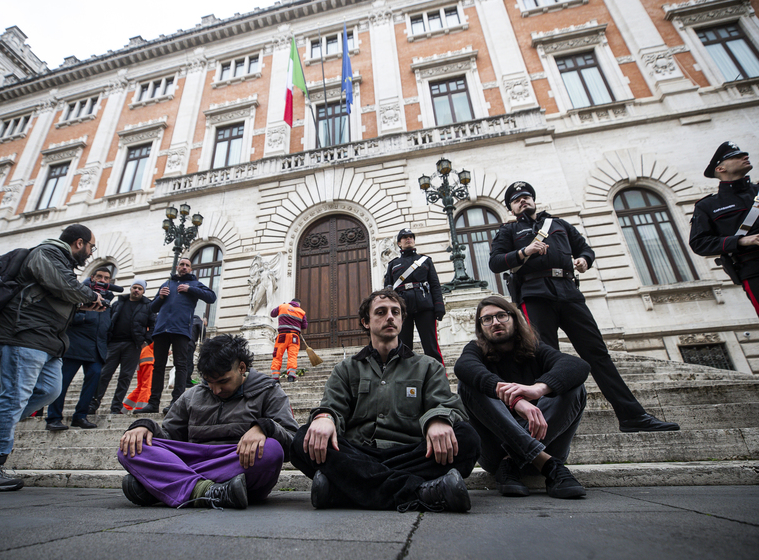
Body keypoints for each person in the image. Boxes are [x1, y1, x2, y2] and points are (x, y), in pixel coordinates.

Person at [489, 181, 680, 433]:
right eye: (516, 200)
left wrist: (584, 261)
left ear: (534, 200)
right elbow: (495, 262)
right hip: (534, 295)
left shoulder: (559, 224)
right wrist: (524, 251)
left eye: (526, 197)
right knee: (545, 358)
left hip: (569, 293)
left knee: (597, 354)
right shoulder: (509, 230)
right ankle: (547, 422)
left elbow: (585, 249)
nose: (523, 201)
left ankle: (632, 415)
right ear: (511, 208)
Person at [0, 224, 105, 491]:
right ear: (79, 243)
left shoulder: (61, 261)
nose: (90, 253)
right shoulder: (48, 252)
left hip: (48, 341)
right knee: (14, 397)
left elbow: (53, 295)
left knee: (48, 392)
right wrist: (89, 294)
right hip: (23, 336)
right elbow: (63, 285)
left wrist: (80, 303)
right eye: (91, 247)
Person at [290, 288, 480, 512]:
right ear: (366, 322)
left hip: (411, 453)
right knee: (303, 439)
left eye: (395, 312)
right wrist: (325, 417)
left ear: (401, 320)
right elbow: (332, 406)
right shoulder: (345, 369)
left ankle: (345, 490)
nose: (390, 316)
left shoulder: (428, 366)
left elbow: (448, 405)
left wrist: (438, 419)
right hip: (359, 452)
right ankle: (422, 491)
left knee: (467, 438)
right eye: (380, 312)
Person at [117, 334, 298, 509]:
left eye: (223, 381)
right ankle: (209, 491)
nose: (216, 390)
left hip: (239, 462)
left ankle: (172, 485)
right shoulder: (191, 396)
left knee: (271, 451)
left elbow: (293, 445)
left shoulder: (268, 391)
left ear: (242, 368)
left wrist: (264, 427)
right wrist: (144, 426)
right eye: (209, 382)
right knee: (131, 446)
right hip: (194, 459)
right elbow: (169, 437)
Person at [454, 296, 588, 499]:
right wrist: (515, 400)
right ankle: (548, 464)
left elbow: (578, 366)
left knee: (573, 386)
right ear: (481, 327)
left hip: (547, 442)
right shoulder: (475, 350)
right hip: (495, 455)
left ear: (515, 319)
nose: (495, 322)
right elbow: (464, 367)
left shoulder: (535, 349)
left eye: (501, 315)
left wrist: (538, 389)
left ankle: (513, 460)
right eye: (487, 319)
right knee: (468, 384)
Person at [136, 258, 216, 414]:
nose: (184, 267)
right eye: (182, 265)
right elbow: (152, 308)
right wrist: (160, 297)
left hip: (181, 330)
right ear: (178, 267)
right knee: (158, 367)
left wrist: (190, 289)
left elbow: (211, 297)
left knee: (180, 365)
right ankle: (153, 403)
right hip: (161, 330)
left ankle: (176, 403)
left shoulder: (194, 284)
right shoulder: (167, 284)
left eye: (187, 265)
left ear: (190, 269)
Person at [689, 142, 759, 315]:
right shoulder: (708, 205)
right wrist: (741, 240)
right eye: (735, 157)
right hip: (753, 269)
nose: (745, 156)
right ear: (720, 169)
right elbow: (700, 243)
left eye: (744, 154)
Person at [45, 267, 114, 431]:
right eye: (100, 276)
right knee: (62, 382)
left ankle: (80, 416)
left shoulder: (109, 299)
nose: (103, 280)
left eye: (106, 278)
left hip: (97, 348)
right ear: (92, 277)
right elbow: (66, 315)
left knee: (93, 381)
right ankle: (53, 417)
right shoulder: (78, 293)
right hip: (75, 345)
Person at [89, 278, 155, 414]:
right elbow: (108, 319)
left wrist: (146, 341)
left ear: (143, 291)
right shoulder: (118, 303)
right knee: (104, 374)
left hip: (133, 346)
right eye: (134, 287)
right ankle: (93, 404)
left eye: (140, 289)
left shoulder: (148, 305)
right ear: (130, 288)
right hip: (113, 343)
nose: (136, 290)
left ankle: (116, 407)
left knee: (125, 377)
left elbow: (154, 324)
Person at [383, 229, 446, 365]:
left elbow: (435, 285)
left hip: (425, 307)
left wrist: (439, 306)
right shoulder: (393, 264)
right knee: (403, 346)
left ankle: (439, 377)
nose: (408, 239)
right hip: (402, 309)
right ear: (399, 243)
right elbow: (387, 290)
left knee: (431, 345)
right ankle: (405, 377)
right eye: (404, 238)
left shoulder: (425, 260)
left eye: (411, 237)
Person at [269, 298, 308, 382]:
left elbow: (272, 314)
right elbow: (304, 326)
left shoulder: (282, 306)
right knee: (292, 356)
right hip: (294, 337)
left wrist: (282, 307)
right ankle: (291, 376)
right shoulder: (301, 312)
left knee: (277, 355)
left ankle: (275, 377)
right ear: (298, 304)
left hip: (282, 336)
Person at [123, 342, 155, 412]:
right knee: (147, 385)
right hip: (148, 359)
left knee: (140, 386)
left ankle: (124, 408)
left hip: (141, 358)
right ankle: (141, 408)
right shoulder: (151, 333)